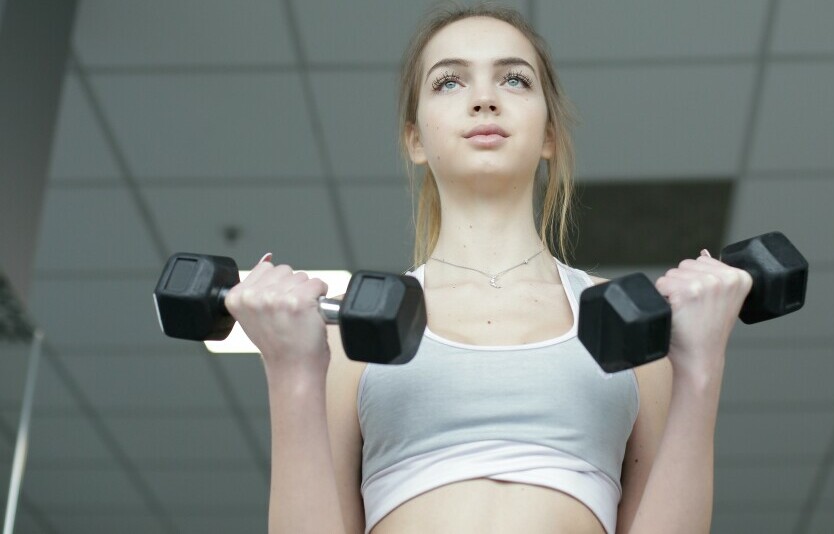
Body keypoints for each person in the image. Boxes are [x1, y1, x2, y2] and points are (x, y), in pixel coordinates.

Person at [224, 3, 751, 533]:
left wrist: (702, 366)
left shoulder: (630, 323)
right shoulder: (351, 334)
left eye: (515, 80)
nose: (484, 99)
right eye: (449, 82)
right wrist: (290, 370)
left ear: (549, 134)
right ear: (415, 140)